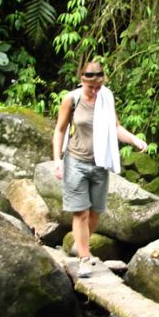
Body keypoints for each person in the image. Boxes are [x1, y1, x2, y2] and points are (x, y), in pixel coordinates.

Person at [52, 58, 148, 278]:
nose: (95, 91)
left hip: (99, 163)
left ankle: (79, 244)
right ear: (81, 80)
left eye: (98, 86)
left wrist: (134, 140)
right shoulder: (71, 100)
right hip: (75, 161)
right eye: (90, 87)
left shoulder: (106, 97)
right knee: (81, 212)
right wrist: (57, 159)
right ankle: (85, 258)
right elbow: (59, 130)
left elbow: (115, 127)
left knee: (95, 212)